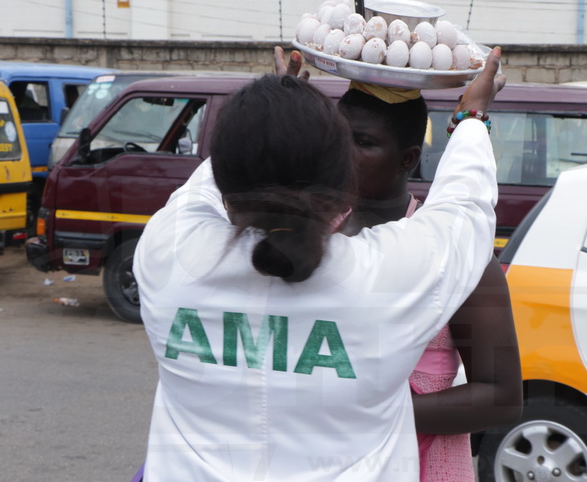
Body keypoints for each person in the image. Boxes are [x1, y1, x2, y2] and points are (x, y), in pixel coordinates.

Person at [133, 50, 506, 481]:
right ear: (340, 177)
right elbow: (465, 210)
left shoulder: (167, 253)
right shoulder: (387, 277)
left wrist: (272, 123)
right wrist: (471, 117)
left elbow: (208, 184)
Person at [275, 47, 522, 481]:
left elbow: (500, 395)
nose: (343, 154)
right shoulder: (309, 234)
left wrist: (363, 413)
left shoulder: (457, 252)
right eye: (338, 138)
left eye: (364, 142)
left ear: (408, 158)